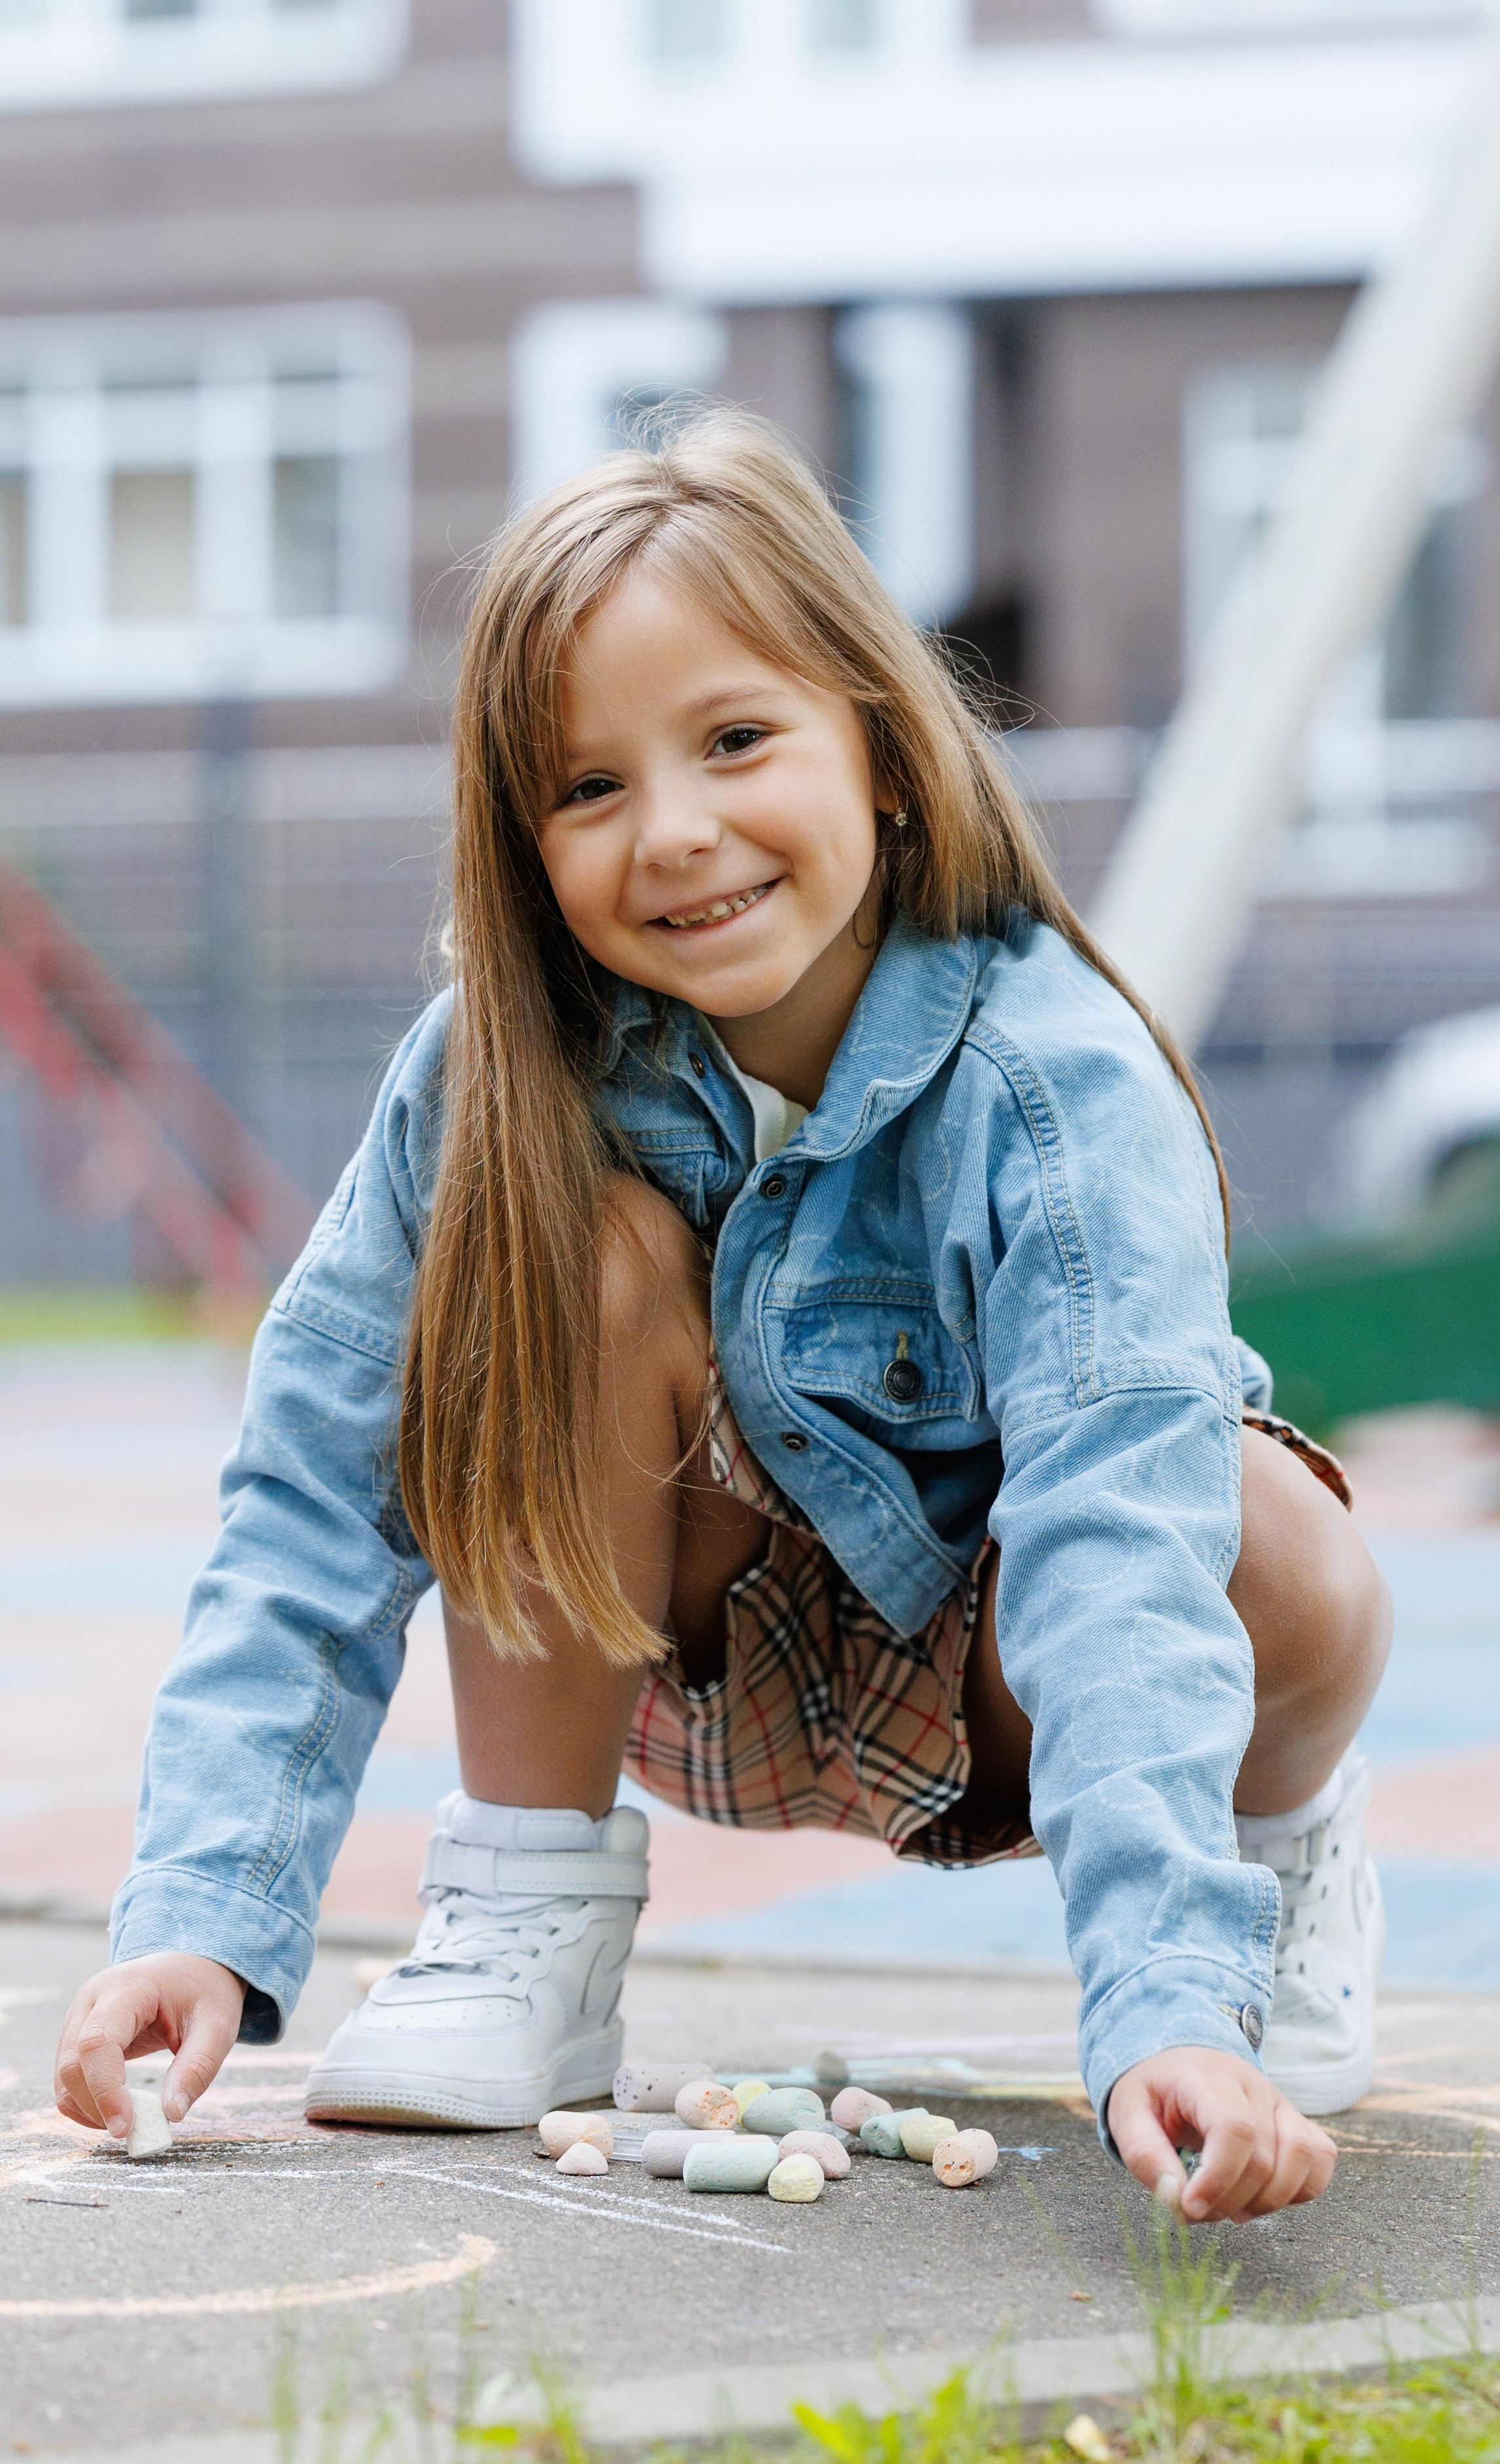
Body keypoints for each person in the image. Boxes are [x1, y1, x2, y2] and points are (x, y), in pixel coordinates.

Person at [54, 413, 1391, 2226]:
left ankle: (1277, 1857)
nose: (676, 834)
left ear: (886, 748)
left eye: (738, 740)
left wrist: (1170, 1997)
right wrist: (200, 1916)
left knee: (1277, 1533)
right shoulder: (492, 1075)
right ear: (522, 844)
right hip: (685, 1655)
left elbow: (1122, 1532)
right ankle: (525, 1920)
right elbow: (313, 1478)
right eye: (588, 787)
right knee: (569, 1252)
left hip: (1017, 1677)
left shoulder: (1054, 1083)